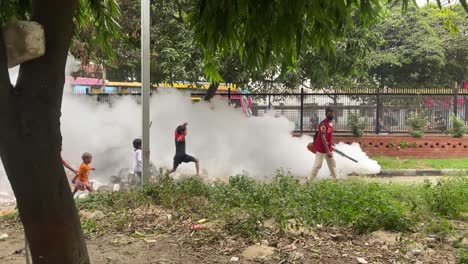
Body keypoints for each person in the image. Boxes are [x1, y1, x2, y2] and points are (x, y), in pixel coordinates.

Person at [309, 108, 337, 179]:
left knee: (333, 165)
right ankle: (309, 182)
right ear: (326, 114)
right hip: (321, 149)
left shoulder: (329, 124)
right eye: (329, 113)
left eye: (332, 113)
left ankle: (337, 181)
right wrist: (328, 151)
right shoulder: (323, 124)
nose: (331, 115)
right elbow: (323, 138)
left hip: (328, 149)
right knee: (317, 165)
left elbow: (328, 137)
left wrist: (331, 145)